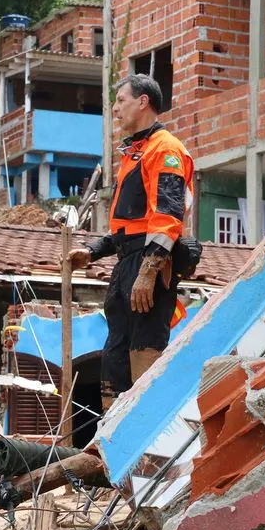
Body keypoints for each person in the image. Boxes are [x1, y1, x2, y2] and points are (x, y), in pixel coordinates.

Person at [68, 74, 195, 412]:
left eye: (121, 100)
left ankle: (145, 433)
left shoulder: (165, 149)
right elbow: (130, 225)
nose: (115, 107)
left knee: (144, 349)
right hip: (127, 262)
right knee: (115, 354)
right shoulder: (134, 153)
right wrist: (93, 251)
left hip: (149, 262)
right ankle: (110, 438)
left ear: (143, 102)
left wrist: (150, 270)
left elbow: (167, 215)